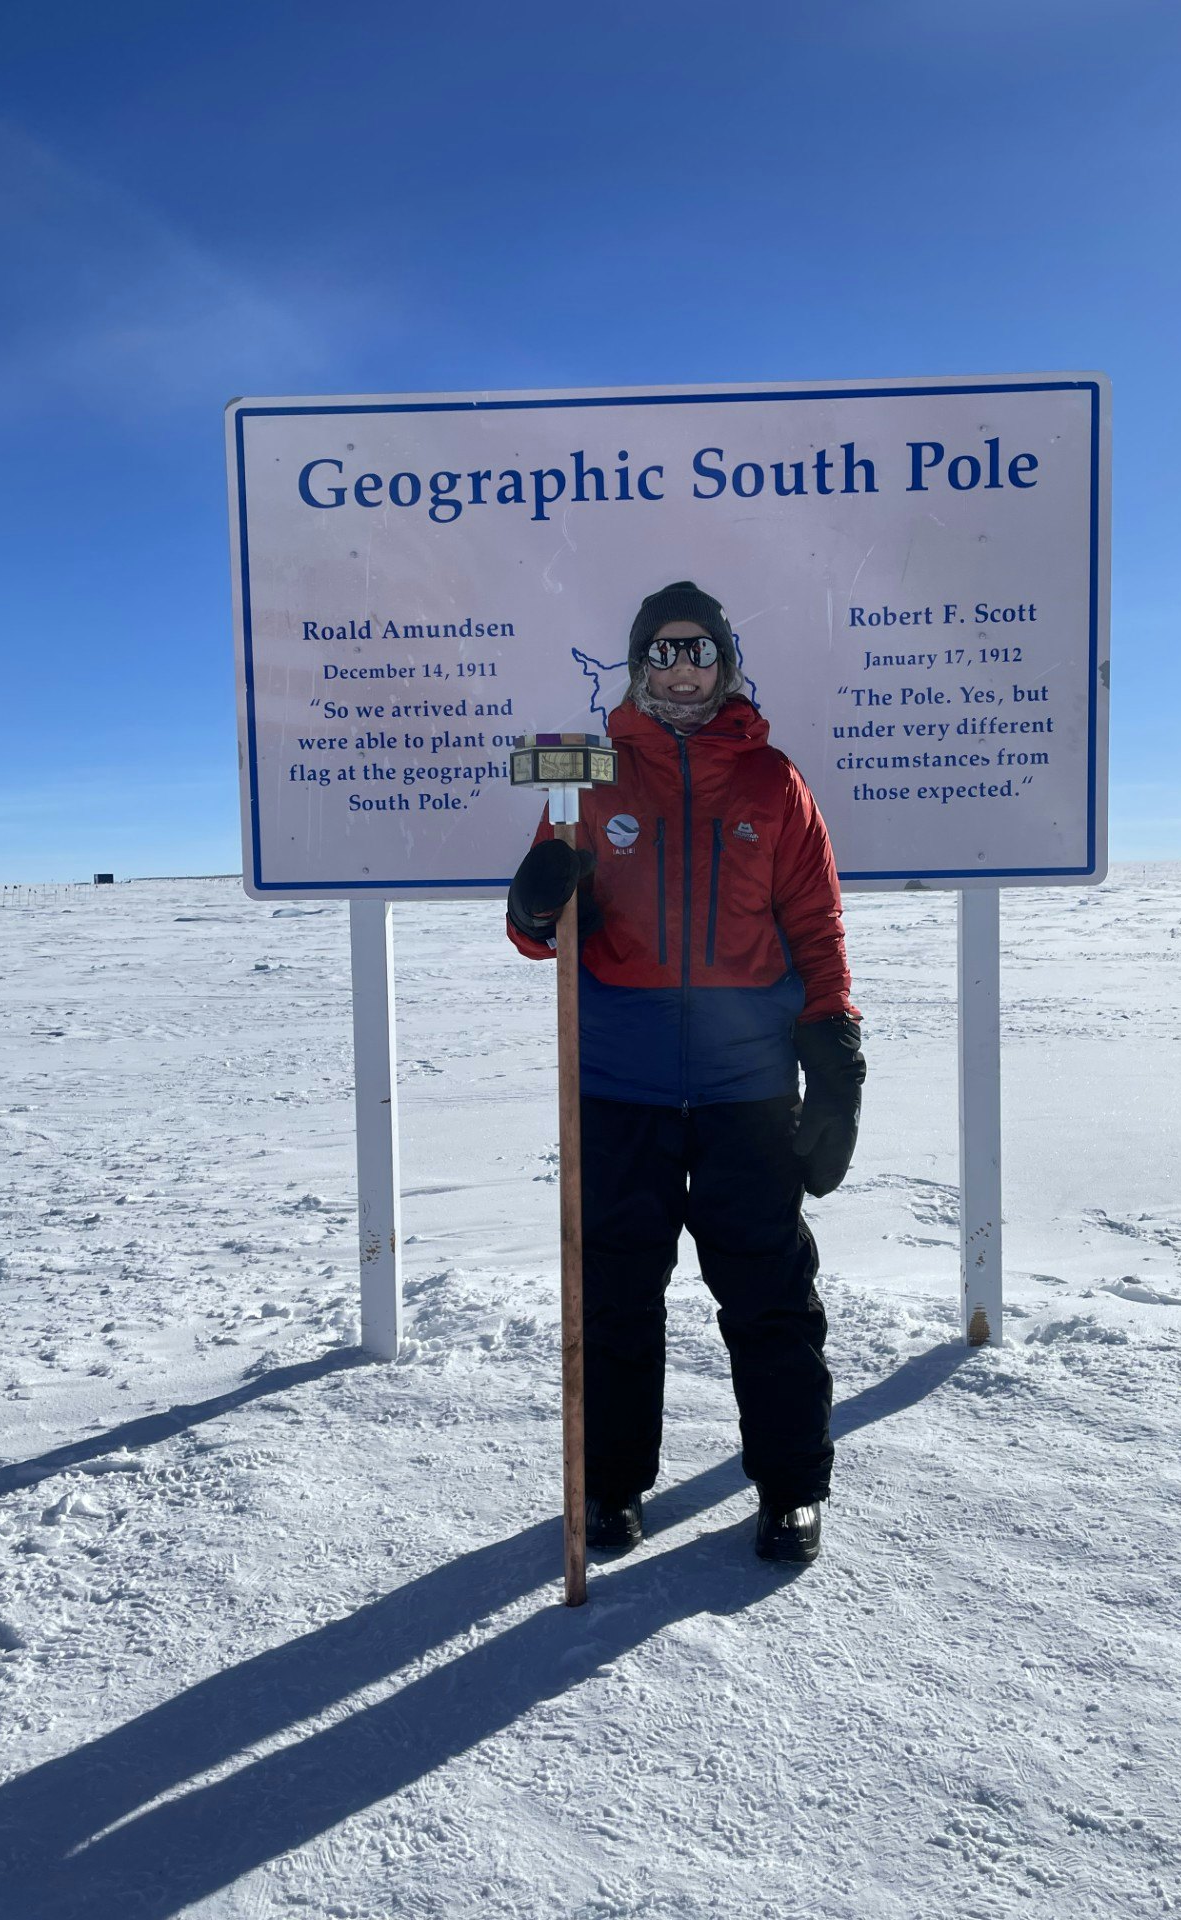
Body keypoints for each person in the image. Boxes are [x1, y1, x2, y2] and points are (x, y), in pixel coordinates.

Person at [507, 581, 864, 1564]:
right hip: (619, 1083)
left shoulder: (774, 783)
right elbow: (537, 934)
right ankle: (611, 1489)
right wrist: (539, 902)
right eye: (659, 653)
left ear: (725, 663)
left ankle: (792, 1489)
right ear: (635, 667)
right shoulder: (587, 775)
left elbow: (817, 929)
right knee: (616, 1293)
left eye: (696, 651)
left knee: (769, 1293)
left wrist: (833, 1048)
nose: (677, 670)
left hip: (747, 1084)